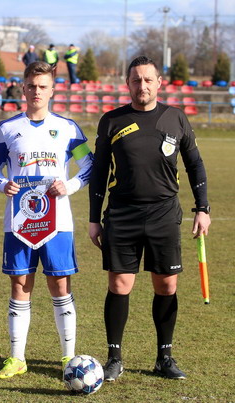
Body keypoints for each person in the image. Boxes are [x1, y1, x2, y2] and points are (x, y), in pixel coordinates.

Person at [88, 55, 211, 382]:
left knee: (167, 285)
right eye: (135, 80)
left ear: (158, 82)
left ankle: (164, 357)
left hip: (164, 214)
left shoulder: (176, 118)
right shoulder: (112, 120)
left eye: (147, 80)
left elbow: (195, 165)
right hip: (122, 213)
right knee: (119, 284)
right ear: (127, 84)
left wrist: (203, 208)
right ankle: (114, 358)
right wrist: (94, 218)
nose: (141, 85)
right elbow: (99, 172)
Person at [0, 61, 93, 379]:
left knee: (60, 283)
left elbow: (89, 164)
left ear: (52, 90)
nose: (36, 91)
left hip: (58, 221)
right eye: (31, 85)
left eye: (43, 86)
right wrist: (3, 184)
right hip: (20, 220)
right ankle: (17, 358)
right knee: (20, 283)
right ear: (23, 88)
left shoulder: (69, 128)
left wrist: (70, 185)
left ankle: (68, 357)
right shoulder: (7, 129)